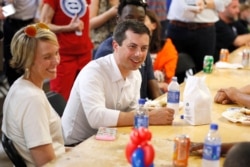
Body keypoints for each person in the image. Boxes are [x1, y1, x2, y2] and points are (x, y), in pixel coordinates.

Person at [61, 20, 174, 146]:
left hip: (106, 137)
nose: (138, 54)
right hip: (76, 145)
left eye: (143, 48)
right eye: (132, 47)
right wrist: (148, 117)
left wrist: (148, 114)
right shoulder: (94, 72)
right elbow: (96, 117)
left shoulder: (135, 73)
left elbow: (132, 110)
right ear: (115, 46)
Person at [1, 23, 66, 166]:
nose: (56, 61)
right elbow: (46, 163)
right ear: (27, 60)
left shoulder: (20, 85)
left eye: (56, 53)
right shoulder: (32, 99)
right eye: (47, 56)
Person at [94, 0, 163, 100]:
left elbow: (153, 88)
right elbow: (112, 105)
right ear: (118, 19)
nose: (135, 24)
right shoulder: (107, 53)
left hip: (141, 110)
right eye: (129, 18)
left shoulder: (142, 47)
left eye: (140, 20)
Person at [40, 0, 93, 100]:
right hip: (62, 56)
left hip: (84, 53)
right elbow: (43, 25)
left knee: (87, 97)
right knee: (61, 100)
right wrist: (68, 28)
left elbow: (86, 20)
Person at [167, 0, 230, 83]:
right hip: (177, 26)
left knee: (204, 73)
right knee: (172, 71)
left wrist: (205, 3)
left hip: (204, 29)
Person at [2, 0, 41, 86]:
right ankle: (13, 85)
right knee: (11, 58)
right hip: (11, 23)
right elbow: (6, 12)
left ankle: (30, 85)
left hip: (30, 23)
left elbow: (40, 8)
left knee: (30, 58)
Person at [145, 9, 178, 92]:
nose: (138, 24)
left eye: (142, 20)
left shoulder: (167, 47)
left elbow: (168, 81)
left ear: (154, 25)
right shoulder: (131, 48)